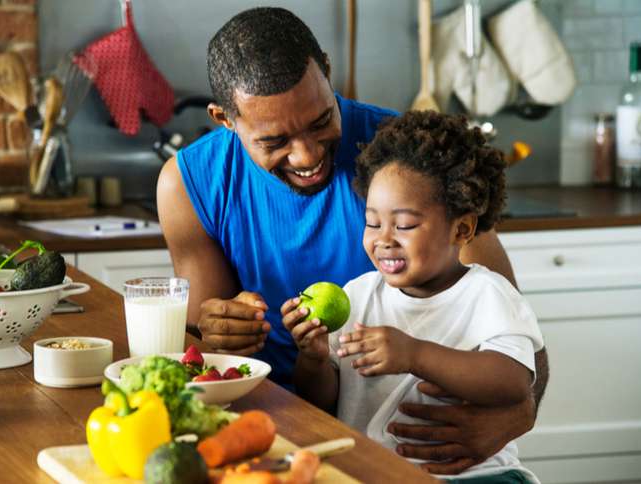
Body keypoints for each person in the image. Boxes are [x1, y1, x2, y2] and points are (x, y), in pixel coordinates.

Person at [156, 6, 549, 475]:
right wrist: (218, 328)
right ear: (225, 119)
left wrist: (516, 416)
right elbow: (206, 354)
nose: (307, 155)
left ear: (326, 69)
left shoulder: (405, 162)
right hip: (264, 429)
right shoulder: (189, 183)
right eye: (275, 140)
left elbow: (518, 336)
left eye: (321, 121)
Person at [282, 111, 543, 483]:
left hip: (474, 477)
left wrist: (415, 354)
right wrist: (313, 360)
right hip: (373, 473)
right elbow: (324, 402)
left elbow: (514, 381)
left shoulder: (487, 294)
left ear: (462, 228)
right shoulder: (358, 295)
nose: (383, 238)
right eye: (373, 222)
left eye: (404, 225)